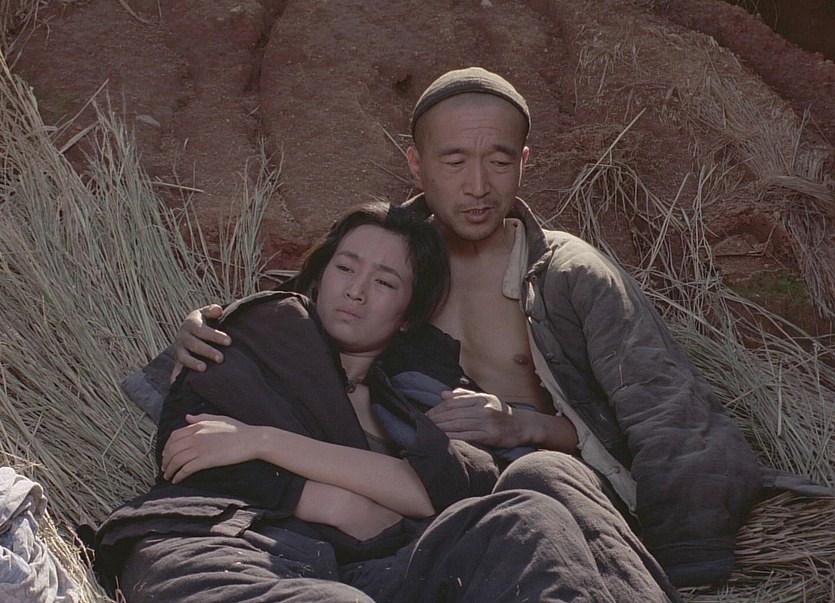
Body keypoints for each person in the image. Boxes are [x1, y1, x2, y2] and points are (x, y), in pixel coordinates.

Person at [170, 67, 770, 588]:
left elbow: (664, 414)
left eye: (499, 163)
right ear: (416, 164)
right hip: (426, 495)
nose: (478, 186)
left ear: (523, 163)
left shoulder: (568, 276)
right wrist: (209, 326)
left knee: (540, 480)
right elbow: (306, 321)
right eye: (454, 162)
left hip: (557, 489)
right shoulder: (392, 255)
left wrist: (522, 425)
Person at [97, 202, 680, 602]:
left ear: (406, 316)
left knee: (529, 519)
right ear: (319, 277)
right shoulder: (263, 334)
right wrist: (329, 498)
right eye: (345, 268)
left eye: (384, 282)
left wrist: (264, 441)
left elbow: (433, 493)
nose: (355, 290)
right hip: (226, 551)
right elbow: (188, 451)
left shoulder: (410, 397)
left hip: (359, 571)